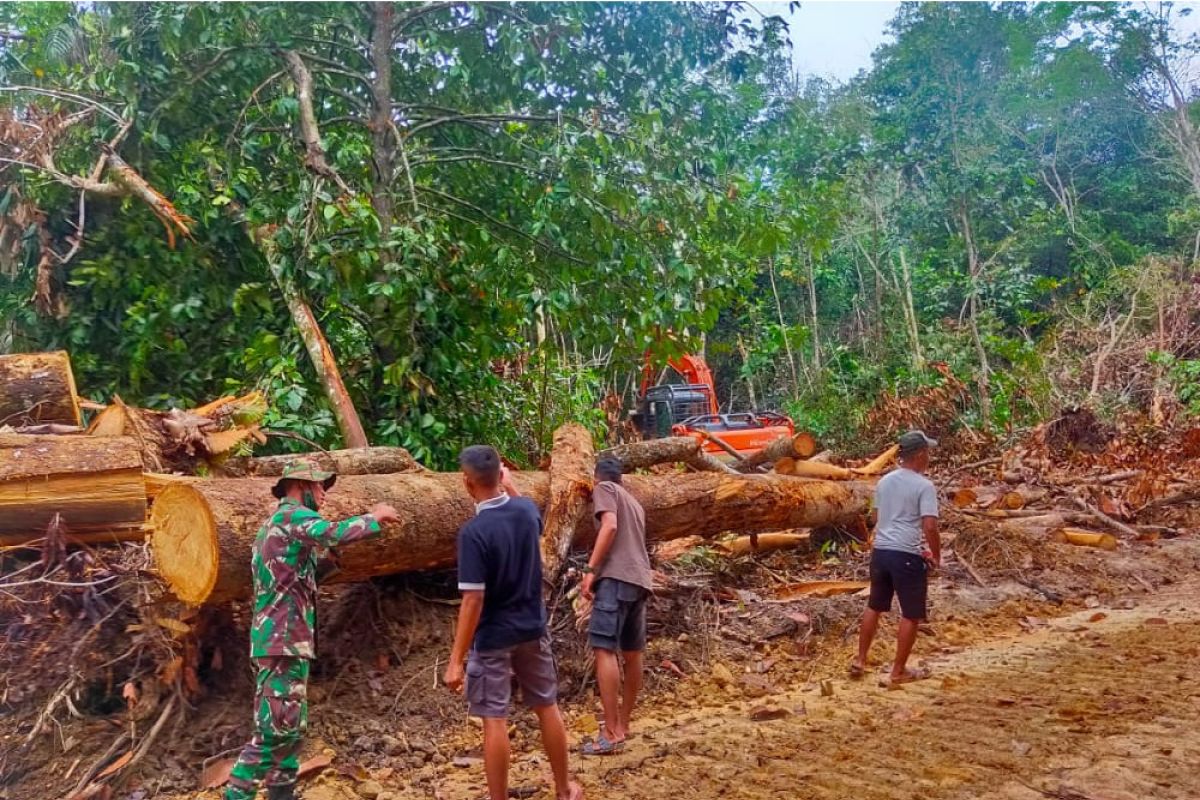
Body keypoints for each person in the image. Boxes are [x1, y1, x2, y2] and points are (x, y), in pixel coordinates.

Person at [225, 459, 399, 800]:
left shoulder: (273, 527)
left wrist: (328, 565)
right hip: (282, 640)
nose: (323, 494)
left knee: (290, 729)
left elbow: (291, 582)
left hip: (282, 639)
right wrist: (374, 517)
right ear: (301, 486)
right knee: (274, 731)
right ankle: (236, 794)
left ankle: (282, 794)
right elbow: (333, 531)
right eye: (320, 486)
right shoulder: (293, 517)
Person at [443, 445, 583, 800]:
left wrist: (456, 660)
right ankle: (564, 788)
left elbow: (474, 599)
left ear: (466, 482)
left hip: (493, 636)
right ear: (500, 475)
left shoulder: (473, 533)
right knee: (546, 705)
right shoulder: (523, 510)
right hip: (533, 628)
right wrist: (512, 485)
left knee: (495, 718)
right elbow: (531, 517)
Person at [850, 430, 941, 688]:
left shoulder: (884, 482)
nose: (929, 458)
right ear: (921, 454)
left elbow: (877, 518)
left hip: (881, 552)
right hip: (907, 555)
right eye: (928, 453)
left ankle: (860, 659)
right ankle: (898, 671)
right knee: (911, 614)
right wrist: (935, 554)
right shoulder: (924, 486)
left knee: (874, 605)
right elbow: (930, 526)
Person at [579, 457, 652, 756]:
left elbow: (609, 526)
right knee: (632, 654)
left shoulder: (605, 488)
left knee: (604, 649)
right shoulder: (635, 503)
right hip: (640, 580)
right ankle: (623, 724)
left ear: (598, 478)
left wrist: (591, 570)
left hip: (616, 579)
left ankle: (610, 733)